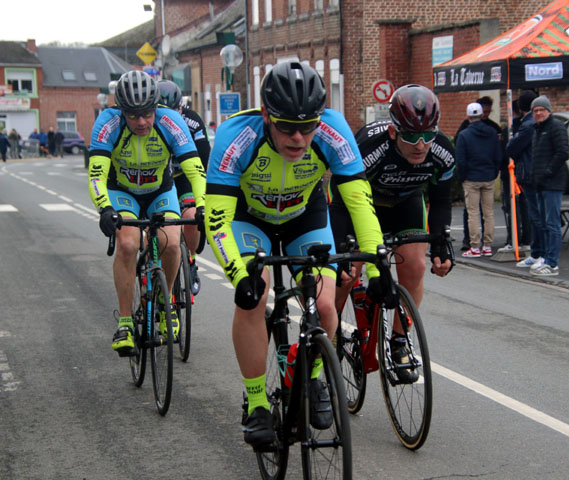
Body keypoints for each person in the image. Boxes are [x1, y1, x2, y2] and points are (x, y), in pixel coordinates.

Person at [205, 61, 389, 449]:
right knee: (255, 298)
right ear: (267, 115)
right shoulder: (236, 135)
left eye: (308, 127)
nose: (300, 138)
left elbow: (359, 201)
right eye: (287, 127)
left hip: (304, 216)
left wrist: (376, 265)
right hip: (248, 218)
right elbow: (217, 219)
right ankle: (256, 402)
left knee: (324, 306)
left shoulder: (333, 129)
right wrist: (241, 277)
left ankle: (313, 376)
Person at [330, 84, 455, 383]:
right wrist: (343, 252)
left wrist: (441, 245)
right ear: (393, 132)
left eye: (428, 135)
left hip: (405, 206)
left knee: (416, 266)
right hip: (360, 206)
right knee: (346, 274)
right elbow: (340, 199)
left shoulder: (442, 152)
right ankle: (331, 332)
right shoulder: (368, 150)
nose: (421, 144)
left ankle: (399, 342)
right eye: (411, 136)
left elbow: (440, 200)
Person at [87, 70, 206, 356]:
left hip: (159, 190)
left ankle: (166, 306)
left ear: (156, 108)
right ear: (121, 111)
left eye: (147, 114)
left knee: (170, 241)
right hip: (122, 191)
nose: (141, 121)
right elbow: (96, 175)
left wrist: (201, 205)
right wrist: (104, 208)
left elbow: (196, 169)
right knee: (128, 243)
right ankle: (126, 323)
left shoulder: (171, 121)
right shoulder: (107, 122)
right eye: (133, 115)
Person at [158, 79, 210, 294]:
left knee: (190, 214)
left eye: (175, 111)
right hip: (160, 177)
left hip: (184, 175)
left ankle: (190, 259)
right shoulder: (149, 122)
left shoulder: (193, 122)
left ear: (182, 107)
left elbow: (204, 161)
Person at [527, 95, 569, 276]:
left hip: (553, 183)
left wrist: (548, 171)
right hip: (540, 184)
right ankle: (545, 257)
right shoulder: (538, 129)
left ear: (548, 110)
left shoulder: (556, 126)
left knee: (552, 224)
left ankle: (552, 263)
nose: (538, 113)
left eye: (541, 110)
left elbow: (562, 152)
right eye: (535, 111)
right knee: (544, 222)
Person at [456, 96, 502, 251]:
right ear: (482, 114)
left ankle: (474, 246)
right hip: (488, 176)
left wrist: (462, 177)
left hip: (471, 178)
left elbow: (460, 160)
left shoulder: (464, 134)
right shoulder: (492, 132)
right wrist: (494, 172)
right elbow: (497, 155)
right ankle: (488, 245)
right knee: (488, 213)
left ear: (468, 116)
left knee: (473, 213)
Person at [509, 90, 545, 268]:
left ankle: (541, 253)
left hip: (530, 174)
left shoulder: (527, 125)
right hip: (533, 173)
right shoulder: (532, 124)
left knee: (537, 216)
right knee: (535, 215)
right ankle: (537, 252)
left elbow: (512, 148)